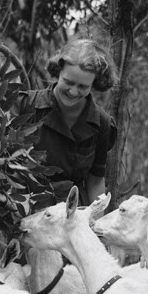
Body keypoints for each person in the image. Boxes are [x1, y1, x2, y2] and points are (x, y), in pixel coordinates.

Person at [20, 37, 117, 206]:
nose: (73, 91)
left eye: (83, 86)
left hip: (72, 211)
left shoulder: (102, 123)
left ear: (94, 84)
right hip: (26, 206)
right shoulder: (26, 105)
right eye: (68, 82)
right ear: (58, 72)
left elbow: (95, 181)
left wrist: (96, 218)